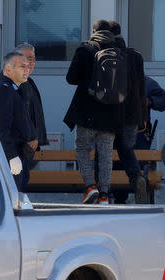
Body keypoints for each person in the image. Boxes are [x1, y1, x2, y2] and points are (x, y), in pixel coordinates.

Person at [64, 19, 127, 205]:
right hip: (111, 113)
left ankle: (90, 187)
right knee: (106, 154)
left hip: (87, 112)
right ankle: (104, 194)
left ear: (93, 30)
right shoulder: (120, 52)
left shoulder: (85, 49)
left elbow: (71, 78)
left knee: (83, 148)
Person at [93, 20, 148, 204]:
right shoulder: (136, 56)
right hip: (133, 115)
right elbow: (141, 88)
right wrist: (142, 117)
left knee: (104, 151)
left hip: (111, 112)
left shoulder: (105, 52)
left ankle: (103, 191)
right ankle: (136, 179)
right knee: (126, 149)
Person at [111, 75, 165, 204]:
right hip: (115, 135)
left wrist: (149, 101)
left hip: (139, 136)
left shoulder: (145, 82)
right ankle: (120, 199)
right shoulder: (113, 79)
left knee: (138, 166)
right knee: (117, 168)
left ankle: (139, 195)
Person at [0, 43, 50, 164]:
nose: (32, 63)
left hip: (26, 148)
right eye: (28, 59)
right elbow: (4, 122)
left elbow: (32, 113)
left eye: (34, 59)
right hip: (15, 148)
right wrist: (13, 153)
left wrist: (35, 138)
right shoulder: (6, 84)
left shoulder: (28, 82)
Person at [0, 52, 33, 191]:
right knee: (10, 197)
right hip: (8, 155)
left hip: (16, 151)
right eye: (22, 66)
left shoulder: (12, 89)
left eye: (27, 66)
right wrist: (12, 156)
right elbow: (1, 128)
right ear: (8, 69)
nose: (27, 69)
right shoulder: (4, 89)